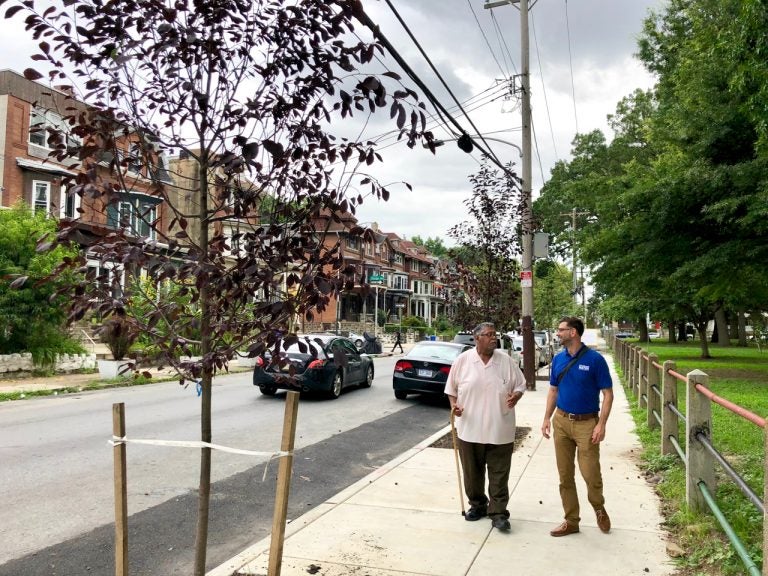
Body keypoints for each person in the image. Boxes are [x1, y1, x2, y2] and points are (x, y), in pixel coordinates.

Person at [445, 322, 526, 532]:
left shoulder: (506, 361)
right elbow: (451, 390)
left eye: (495, 334)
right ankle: (478, 505)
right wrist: (455, 406)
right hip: (469, 429)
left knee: (499, 474)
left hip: (500, 427)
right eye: (489, 335)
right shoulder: (463, 361)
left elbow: (521, 384)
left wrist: (515, 396)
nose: (493, 338)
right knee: (472, 473)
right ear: (477, 338)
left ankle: (498, 513)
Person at [541, 316, 614, 537]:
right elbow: (553, 390)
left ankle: (598, 506)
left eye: (561, 330)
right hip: (561, 422)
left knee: (590, 473)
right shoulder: (558, 359)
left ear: (573, 332)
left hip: (586, 424)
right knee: (565, 476)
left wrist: (601, 424)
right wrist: (546, 418)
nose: (558, 333)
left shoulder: (595, 360)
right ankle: (571, 520)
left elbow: (608, 394)